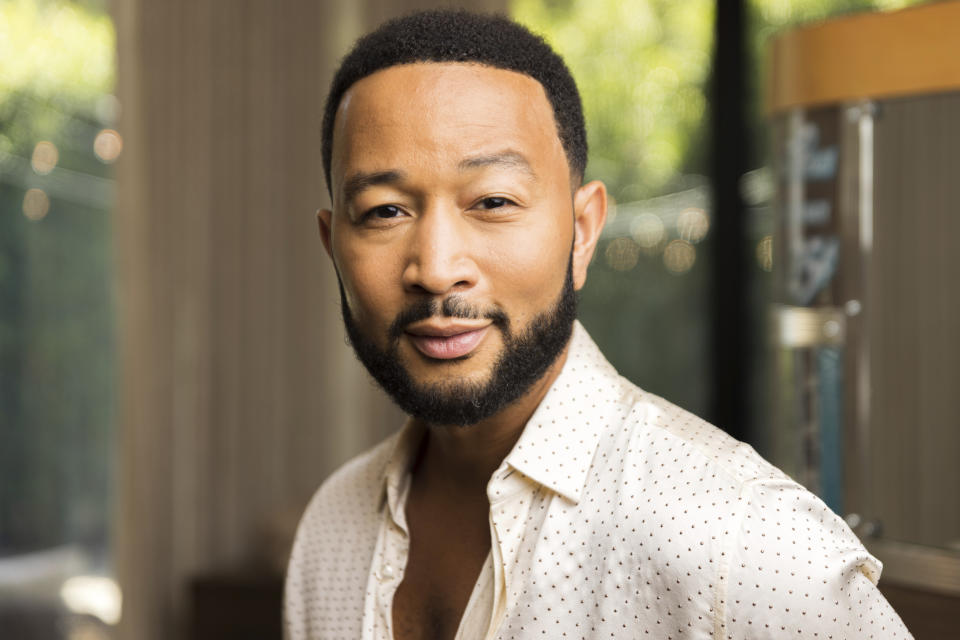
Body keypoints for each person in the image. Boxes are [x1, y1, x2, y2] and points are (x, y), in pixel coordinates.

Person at [284, 9, 910, 640]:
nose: (438, 269)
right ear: (333, 243)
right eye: (385, 210)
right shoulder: (331, 527)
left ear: (582, 233)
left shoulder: (741, 539)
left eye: (493, 202)